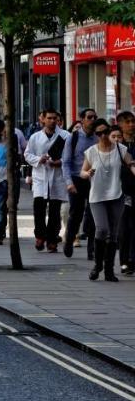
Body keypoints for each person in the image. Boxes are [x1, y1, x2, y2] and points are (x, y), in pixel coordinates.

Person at [79, 118, 128, 282]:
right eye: (99, 133)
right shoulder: (91, 151)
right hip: (97, 196)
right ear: (95, 135)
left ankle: (108, 270)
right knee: (102, 229)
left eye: (105, 132)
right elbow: (82, 172)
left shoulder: (120, 149)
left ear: (109, 131)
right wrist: (87, 174)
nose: (103, 136)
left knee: (113, 233)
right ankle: (97, 265)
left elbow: (131, 164)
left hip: (117, 195)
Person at [25, 109, 68, 252]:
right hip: (40, 178)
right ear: (43, 119)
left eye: (55, 118)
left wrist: (60, 162)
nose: (52, 121)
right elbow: (27, 155)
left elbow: (69, 156)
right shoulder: (35, 137)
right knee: (39, 209)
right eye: (49, 118)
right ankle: (40, 236)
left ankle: (52, 239)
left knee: (55, 211)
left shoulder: (65, 136)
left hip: (57, 178)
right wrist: (39, 159)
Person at [63, 108, 99, 260]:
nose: (92, 120)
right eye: (89, 117)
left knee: (93, 216)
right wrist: (69, 183)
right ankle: (69, 240)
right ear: (82, 119)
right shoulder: (74, 137)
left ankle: (92, 248)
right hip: (77, 180)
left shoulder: (99, 137)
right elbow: (66, 162)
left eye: (94, 117)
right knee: (75, 215)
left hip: (95, 181)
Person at [117, 110, 135, 275]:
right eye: (127, 121)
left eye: (132, 121)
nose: (131, 124)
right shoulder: (116, 144)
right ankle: (125, 260)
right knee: (125, 227)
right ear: (120, 124)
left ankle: (132, 259)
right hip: (120, 190)